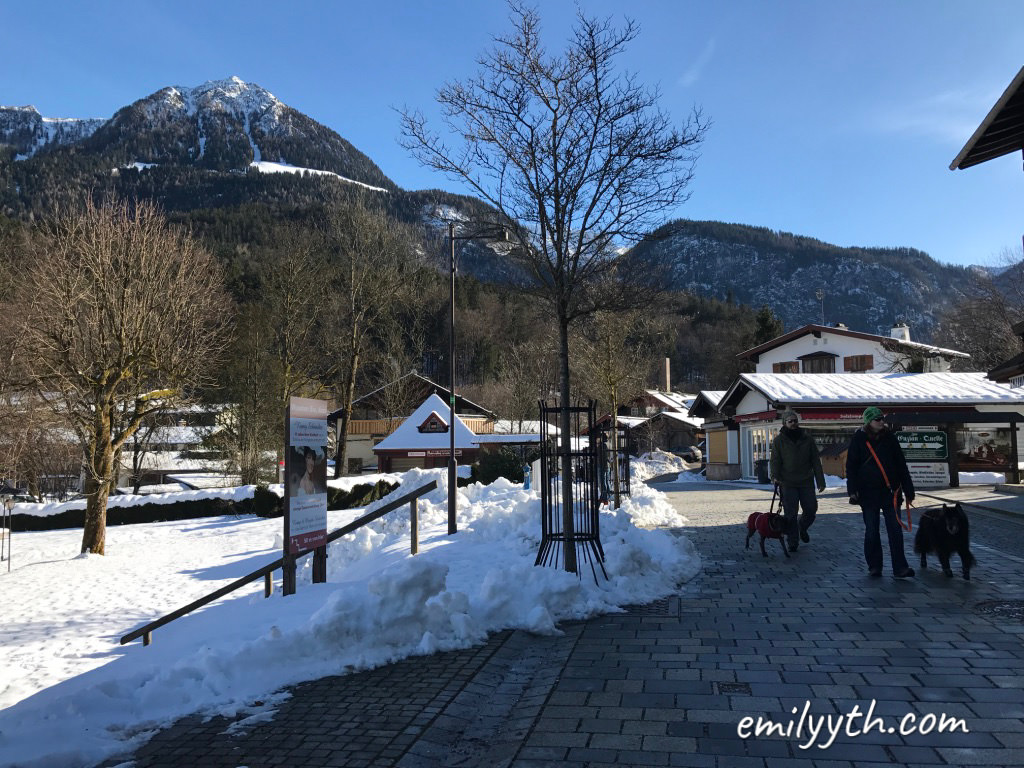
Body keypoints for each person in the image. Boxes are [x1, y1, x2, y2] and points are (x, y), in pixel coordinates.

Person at [846, 406, 915, 578]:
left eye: (882, 419)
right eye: (878, 419)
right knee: (872, 531)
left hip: (891, 491)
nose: (882, 422)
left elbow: (900, 464)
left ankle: (900, 567)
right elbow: (851, 466)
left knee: (895, 531)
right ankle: (874, 566)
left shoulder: (890, 438)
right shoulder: (858, 439)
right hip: (868, 493)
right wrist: (852, 489)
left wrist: (908, 488)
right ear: (868, 421)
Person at [769, 409, 826, 553]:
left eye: (795, 421)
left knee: (811, 510)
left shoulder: (807, 439)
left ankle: (802, 527)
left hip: (806, 481)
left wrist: (820, 480)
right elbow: (775, 460)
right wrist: (775, 476)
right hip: (787, 482)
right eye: (790, 421)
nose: (794, 423)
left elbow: (815, 461)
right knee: (790, 514)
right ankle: (792, 542)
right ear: (785, 423)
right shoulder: (778, 441)